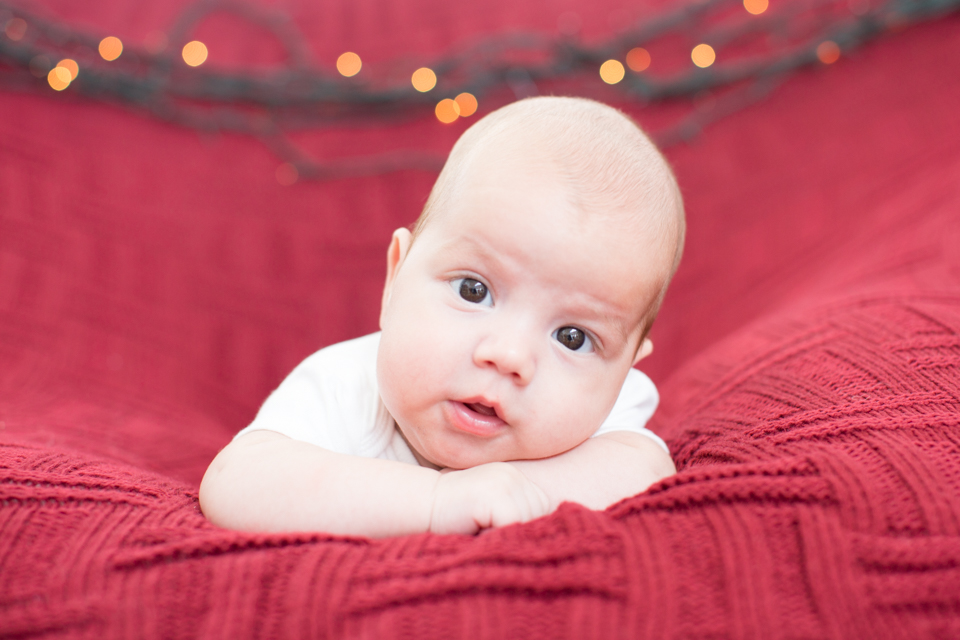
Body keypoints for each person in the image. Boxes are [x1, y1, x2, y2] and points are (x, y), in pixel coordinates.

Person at [199, 96, 685, 538]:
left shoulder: (600, 410)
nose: (508, 355)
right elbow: (236, 482)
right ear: (396, 278)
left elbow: (645, 473)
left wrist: (516, 489)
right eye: (474, 291)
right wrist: (437, 502)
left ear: (624, 371)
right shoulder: (346, 385)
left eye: (573, 338)